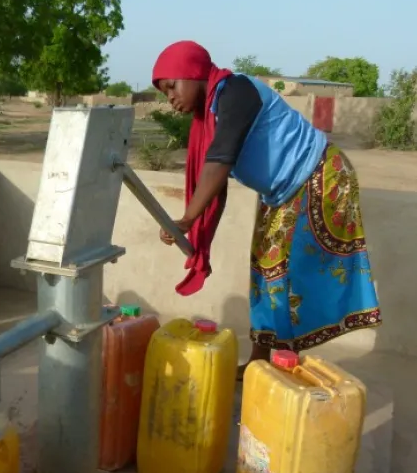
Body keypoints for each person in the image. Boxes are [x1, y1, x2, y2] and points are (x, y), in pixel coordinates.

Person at [153, 41, 381, 378]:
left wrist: (188, 218)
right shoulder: (210, 115)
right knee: (265, 269)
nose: (170, 98)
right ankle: (261, 359)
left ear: (194, 72)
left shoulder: (236, 91)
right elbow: (214, 179)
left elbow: (220, 160)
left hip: (319, 173)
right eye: (164, 93)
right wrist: (196, 226)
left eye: (171, 86)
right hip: (280, 192)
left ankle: (286, 363)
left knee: (294, 274)